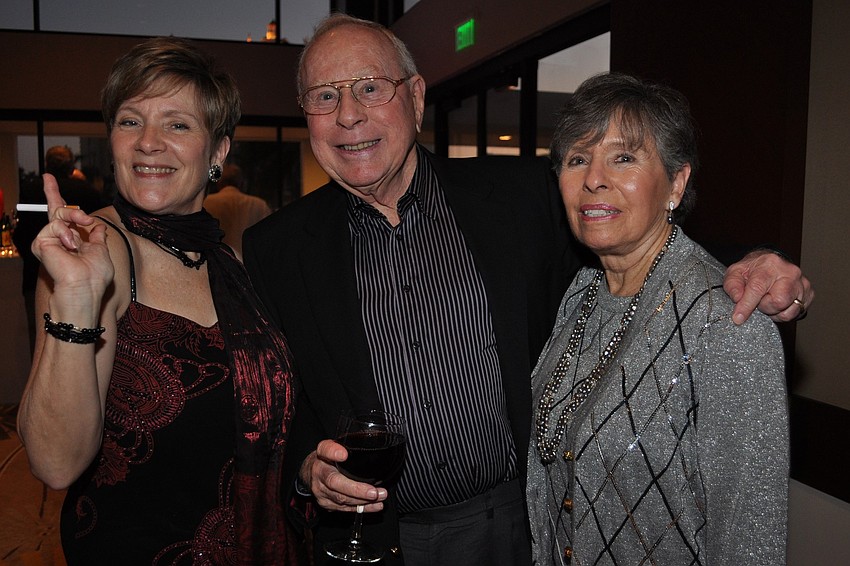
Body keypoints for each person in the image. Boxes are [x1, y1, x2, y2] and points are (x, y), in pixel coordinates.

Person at [243, 14, 810, 566]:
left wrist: (759, 260)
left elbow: (633, 224)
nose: (348, 116)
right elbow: (269, 407)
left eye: (370, 88)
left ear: (415, 97)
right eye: (323, 97)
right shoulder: (275, 250)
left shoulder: (519, 198)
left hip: (519, 529)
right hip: (370, 540)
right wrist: (304, 470)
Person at [16, 37, 300, 565]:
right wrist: (76, 295)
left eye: (177, 124)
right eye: (130, 121)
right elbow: (56, 463)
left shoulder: (227, 263)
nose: (148, 142)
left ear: (218, 151)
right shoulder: (102, 252)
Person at [527, 72, 788, 564]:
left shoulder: (726, 321)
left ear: (676, 182)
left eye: (623, 157)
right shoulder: (580, 295)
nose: (593, 178)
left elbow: (749, 537)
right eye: (577, 159)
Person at [12, 145, 106, 355]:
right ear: (72, 166)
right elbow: (99, 230)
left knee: (39, 343)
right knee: (87, 339)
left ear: (47, 164)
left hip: (36, 274)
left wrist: (31, 256)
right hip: (86, 272)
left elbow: (20, 234)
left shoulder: (30, 188)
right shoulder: (88, 191)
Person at [204, 162, 272, 260]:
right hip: (250, 263)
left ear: (219, 182)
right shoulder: (259, 205)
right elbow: (268, 240)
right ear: (241, 183)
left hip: (216, 262)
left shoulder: (207, 203)